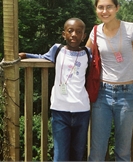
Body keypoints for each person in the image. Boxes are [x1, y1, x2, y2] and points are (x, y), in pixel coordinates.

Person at [19, 18, 91, 162]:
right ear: (64, 34)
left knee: (77, 153)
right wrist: (26, 55)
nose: (74, 35)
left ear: (84, 36)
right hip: (60, 110)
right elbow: (42, 57)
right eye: (70, 31)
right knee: (60, 156)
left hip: (82, 110)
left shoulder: (87, 53)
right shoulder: (57, 50)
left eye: (78, 32)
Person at [86, 0, 133, 161]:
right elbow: (83, 55)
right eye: (101, 7)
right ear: (96, 9)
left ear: (117, 8)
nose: (105, 11)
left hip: (127, 93)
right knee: (97, 148)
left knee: (123, 149)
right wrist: (55, 53)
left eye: (109, 7)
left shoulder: (131, 29)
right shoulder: (95, 31)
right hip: (102, 93)